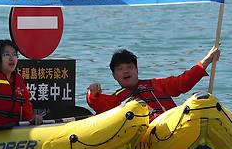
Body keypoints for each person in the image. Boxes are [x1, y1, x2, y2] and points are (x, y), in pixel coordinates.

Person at [86, 45, 220, 121]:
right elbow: (100, 104)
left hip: (176, 122)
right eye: (120, 69)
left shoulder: (156, 84)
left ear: (137, 70)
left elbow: (182, 82)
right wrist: (93, 94)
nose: (126, 71)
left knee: (199, 99)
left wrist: (206, 61)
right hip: (151, 133)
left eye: (130, 67)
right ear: (114, 76)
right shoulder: (117, 99)